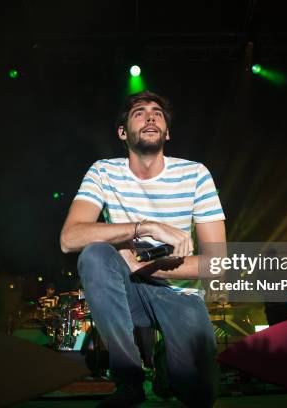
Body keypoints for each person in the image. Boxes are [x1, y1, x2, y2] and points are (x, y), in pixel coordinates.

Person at [60, 91, 226, 407]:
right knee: (94, 255)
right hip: (128, 292)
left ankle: (166, 360)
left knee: (199, 395)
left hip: (179, 294)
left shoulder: (195, 174)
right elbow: (70, 238)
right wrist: (145, 227)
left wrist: (140, 264)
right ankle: (128, 379)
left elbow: (217, 264)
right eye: (139, 112)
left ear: (167, 132)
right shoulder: (103, 171)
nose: (150, 117)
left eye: (157, 113)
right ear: (123, 132)